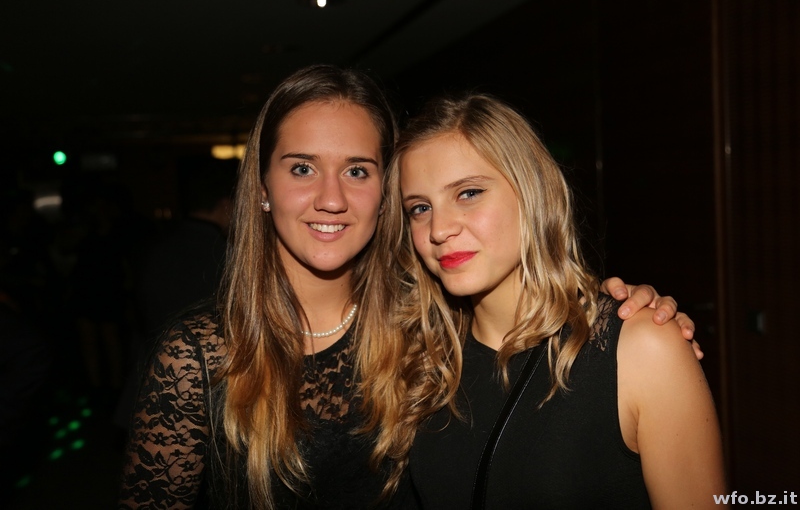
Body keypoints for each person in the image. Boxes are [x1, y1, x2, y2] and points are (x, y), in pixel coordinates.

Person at [118, 66, 697, 509]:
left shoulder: (424, 329)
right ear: (262, 187)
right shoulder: (196, 354)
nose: (331, 198)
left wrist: (637, 318)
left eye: (357, 170)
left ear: (382, 198)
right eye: (301, 168)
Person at [388, 93, 725, 509]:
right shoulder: (424, 360)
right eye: (420, 208)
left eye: (469, 193)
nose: (439, 229)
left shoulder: (640, 346)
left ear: (532, 193)